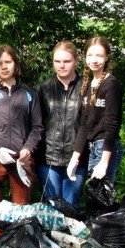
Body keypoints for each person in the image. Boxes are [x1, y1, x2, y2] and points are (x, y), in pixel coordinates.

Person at [0, 44, 43, 204]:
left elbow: (37, 127)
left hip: (21, 161)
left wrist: (28, 148)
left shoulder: (29, 94)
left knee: (20, 211)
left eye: (7, 62)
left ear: (15, 63)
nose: (4, 67)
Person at [35, 41, 87, 209]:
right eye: (57, 61)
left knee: (71, 206)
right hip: (48, 157)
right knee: (51, 207)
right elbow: (36, 124)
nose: (61, 65)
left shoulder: (86, 88)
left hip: (78, 157)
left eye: (66, 61)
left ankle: (72, 236)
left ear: (76, 62)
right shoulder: (43, 89)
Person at [67, 36, 124, 183]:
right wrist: (75, 158)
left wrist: (104, 162)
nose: (94, 60)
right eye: (90, 55)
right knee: (93, 195)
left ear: (107, 57)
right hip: (92, 147)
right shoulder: (86, 84)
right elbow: (84, 125)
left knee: (100, 197)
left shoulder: (111, 85)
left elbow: (111, 125)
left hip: (106, 148)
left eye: (99, 55)